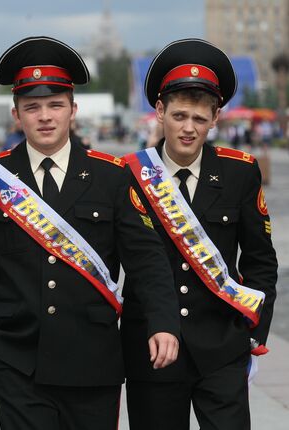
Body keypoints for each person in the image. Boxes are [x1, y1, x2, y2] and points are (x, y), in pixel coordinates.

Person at [0, 36, 180, 430]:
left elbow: (147, 259)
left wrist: (163, 322)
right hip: (17, 362)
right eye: (32, 106)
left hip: (93, 361)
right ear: (16, 114)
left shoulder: (112, 176)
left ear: (73, 110)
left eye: (55, 105)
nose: (44, 116)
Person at [122, 38, 278, 430]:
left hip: (222, 347)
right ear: (159, 111)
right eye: (179, 115)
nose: (188, 128)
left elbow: (260, 261)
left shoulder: (239, 172)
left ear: (216, 117)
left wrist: (251, 333)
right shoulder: (127, 175)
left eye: (199, 118)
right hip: (152, 349)